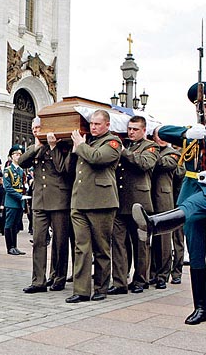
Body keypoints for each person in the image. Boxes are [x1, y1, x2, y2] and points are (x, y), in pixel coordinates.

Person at [132, 82, 206, 325]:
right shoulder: (190, 131)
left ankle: (154, 224)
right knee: (195, 251)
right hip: (190, 187)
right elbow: (161, 132)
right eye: (199, 106)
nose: (203, 110)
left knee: (189, 208)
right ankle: (201, 309)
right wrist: (187, 134)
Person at [64, 109, 122, 303]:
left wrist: (80, 145)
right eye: (91, 124)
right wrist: (74, 150)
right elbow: (70, 170)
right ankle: (81, 290)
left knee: (102, 248)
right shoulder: (86, 143)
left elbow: (98, 159)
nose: (93, 127)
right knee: (81, 247)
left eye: (98, 124)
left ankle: (101, 287)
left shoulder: (113, 142)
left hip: (101, 202)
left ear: (107, 125)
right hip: (79, 201)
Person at [19, 118, 73, 294]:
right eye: (33, 128)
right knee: (39, 241)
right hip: (39, 200)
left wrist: (52, 147)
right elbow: (21, 162)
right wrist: (37, 146)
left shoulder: (63, 146)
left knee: (60, 241)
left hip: (59, 200)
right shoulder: (34, 147)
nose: (36, 131)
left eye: (39, 128)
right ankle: (38, 281)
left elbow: (62, 169)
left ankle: (58, 277)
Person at [110, 116, 159, 295]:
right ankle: (120, 281)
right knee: (119, 243)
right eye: (129, 128)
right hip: (121, 201)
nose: (131, 132)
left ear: (143, 130)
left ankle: (141, 280)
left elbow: (144, 164)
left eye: (135, 129)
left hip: (139, 203)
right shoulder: (126, 145)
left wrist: (123, 151)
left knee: (140, 244)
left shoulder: (150, 147)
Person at [149, 131, 180, 289]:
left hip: (163, 199)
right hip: (147, 197)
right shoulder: (149, 148)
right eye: (157, 136)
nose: (160, 139)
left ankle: (163, 275)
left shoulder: (172, 153)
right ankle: (152, 273)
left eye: (162, 136)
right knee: (148, 240)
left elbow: (165, 164)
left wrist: (150, 152)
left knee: (163, 240)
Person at [3, 144, 28, 255]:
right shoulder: (8, 170)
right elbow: (8, 188)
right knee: (9, 225)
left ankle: (15, 246)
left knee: (16, 225)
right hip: (12, 201)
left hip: (19, 201)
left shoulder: (21, 171)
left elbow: (22, 186)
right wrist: (20, 196)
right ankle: (10, 247)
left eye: (20, 154)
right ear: (11, 156)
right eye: (16, 154)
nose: (18, 156)